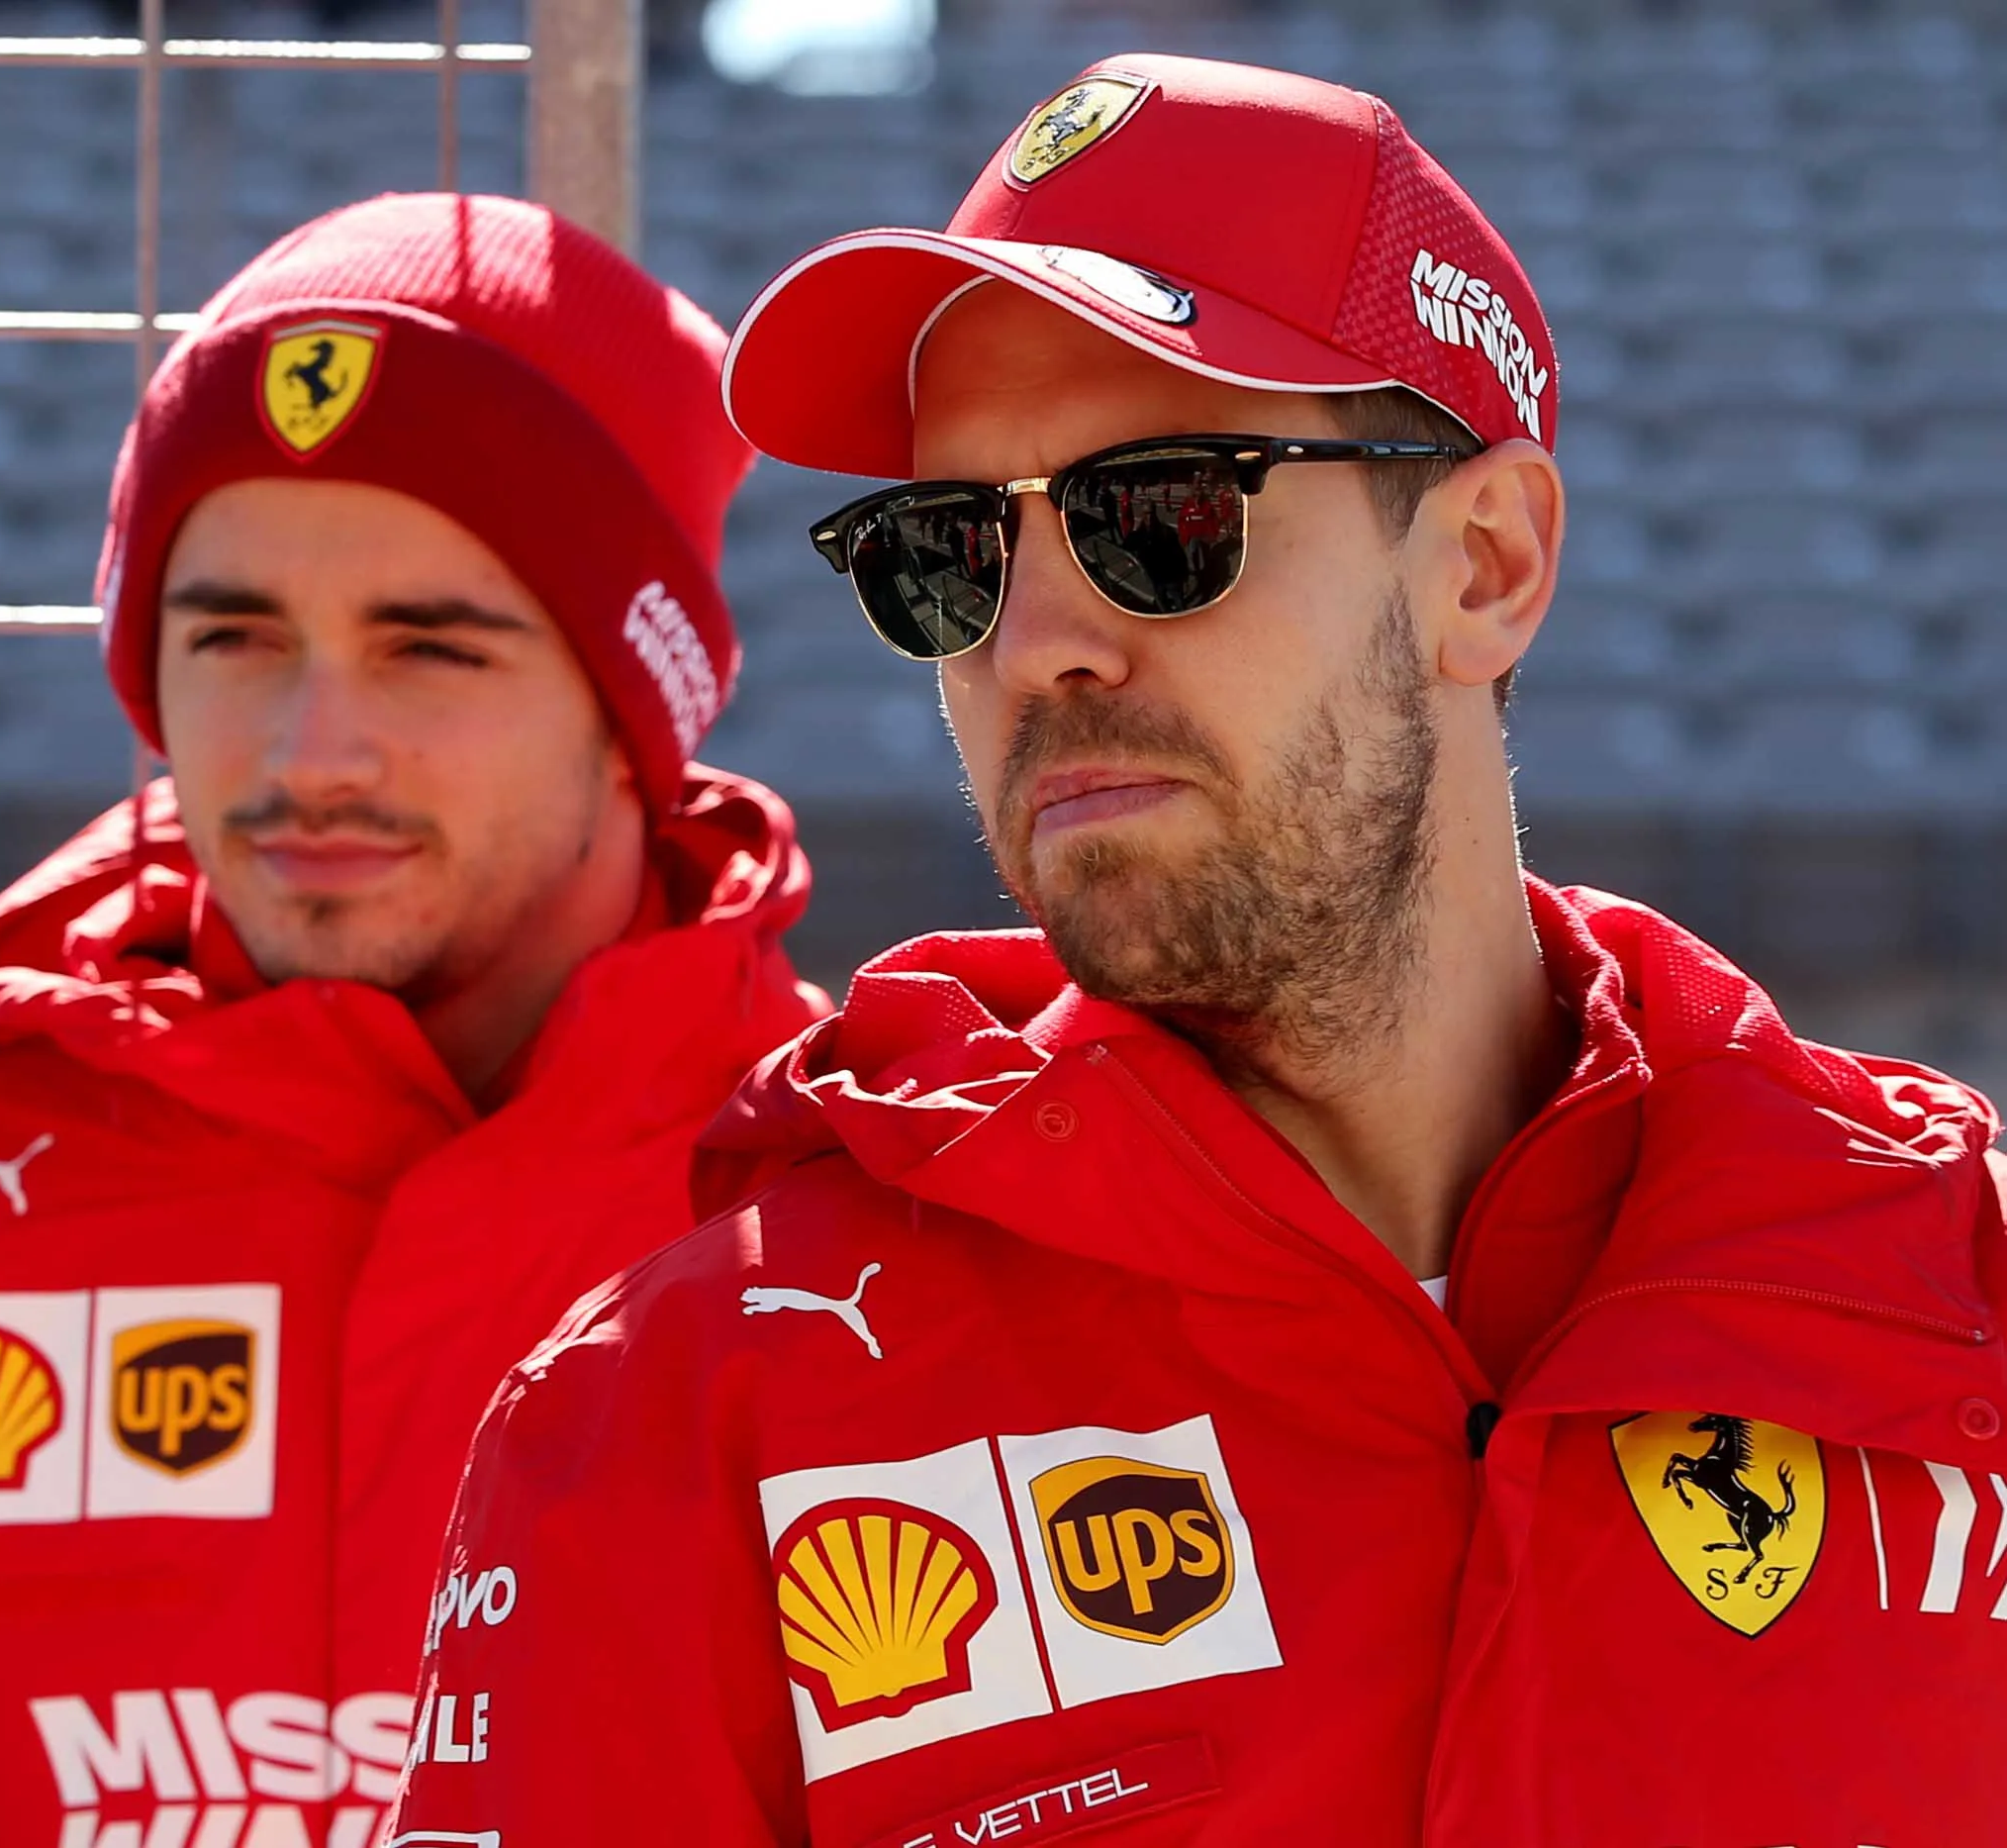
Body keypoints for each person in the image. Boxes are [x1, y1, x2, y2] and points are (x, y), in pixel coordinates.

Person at [389, 54, 2007, 1848]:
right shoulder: (680, 1409)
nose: (1037, 646)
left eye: (1157, 512)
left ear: (1483, 562)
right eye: (949, 556)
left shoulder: (1949, 1283)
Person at [0, 192, 829, 1847]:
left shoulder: (850, 1229)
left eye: (432, 647)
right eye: (232, 636)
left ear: (637, 712)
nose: (311, 747)